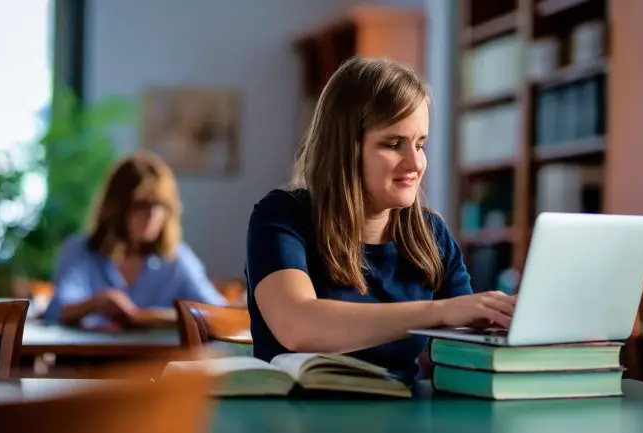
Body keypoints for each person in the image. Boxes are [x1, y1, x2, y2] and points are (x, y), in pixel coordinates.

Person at [244, 57, 517, 382]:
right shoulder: (281, 215)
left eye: (420, 144)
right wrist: (439, 312)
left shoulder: (431, 234)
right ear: (345, 148)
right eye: (393, 144)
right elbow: (298, 326)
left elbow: (464, 344)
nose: (415, 162)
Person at [43, 151, 228, 329]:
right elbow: (56, 310)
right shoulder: (81, 251)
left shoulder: (176, 258)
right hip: (91, 360)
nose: (153, 215)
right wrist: (97, 303)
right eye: (142, 205)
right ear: (117, 207)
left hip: (158, 361)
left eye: (160, 205)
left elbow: (216, 312)